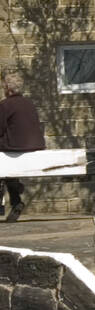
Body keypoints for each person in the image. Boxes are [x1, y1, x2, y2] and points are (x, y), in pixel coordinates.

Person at [0, 69, 45, 221]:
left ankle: (15, 197)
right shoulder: (30, 103)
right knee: (7, 169)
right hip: (36, 146)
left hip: (17, 147)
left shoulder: (5, 105)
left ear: (7, 88)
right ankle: (15, 197)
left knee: (4, 164)